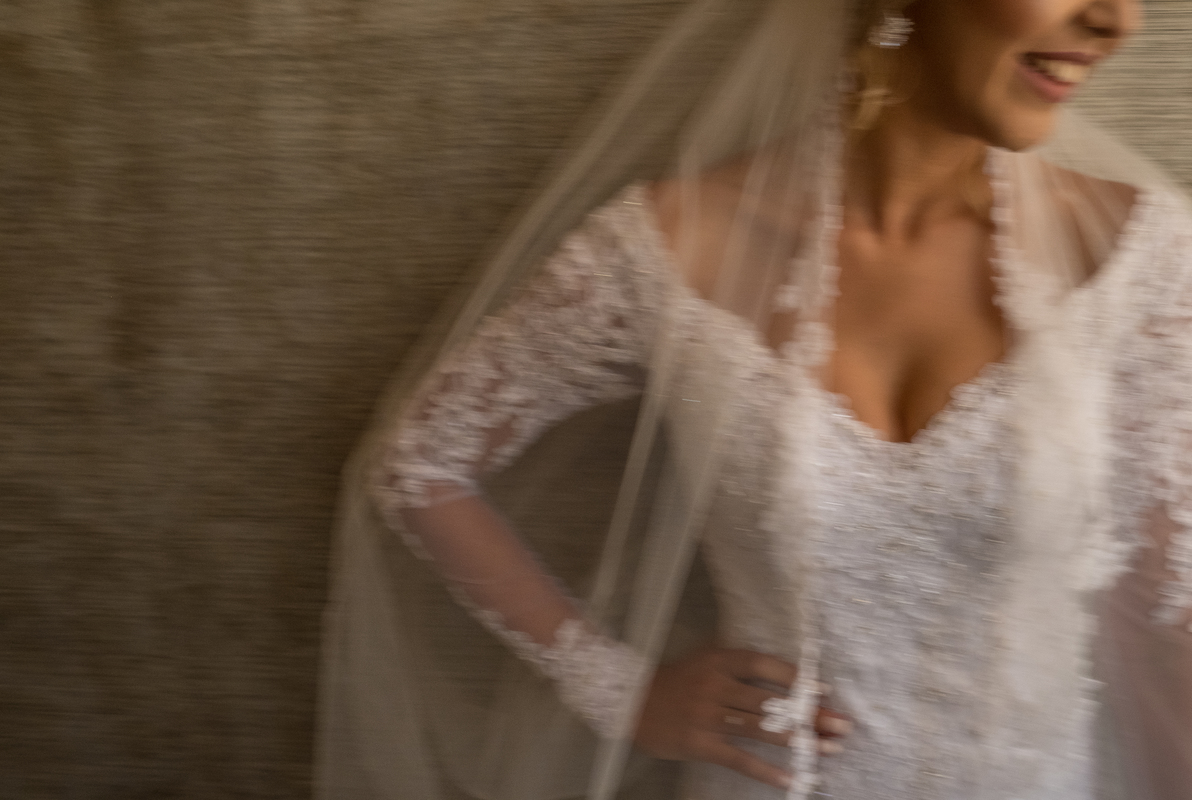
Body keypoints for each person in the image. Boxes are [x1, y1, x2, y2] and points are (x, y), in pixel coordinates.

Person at [314, 1, 1192, 798]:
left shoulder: (1137, 259)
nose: (1119, 21)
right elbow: (420, 463)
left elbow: (1168, 610)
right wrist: (619, 689)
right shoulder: (660, 251)